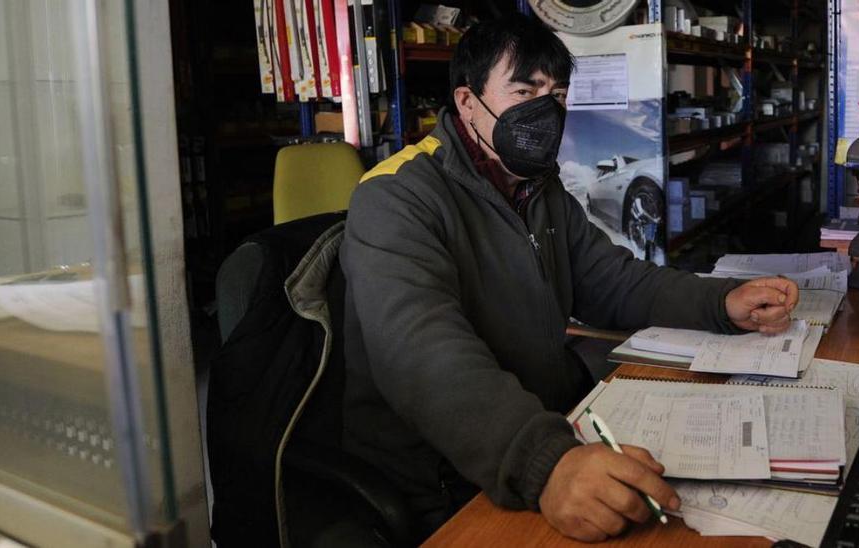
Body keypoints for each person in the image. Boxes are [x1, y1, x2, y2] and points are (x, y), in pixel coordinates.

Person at [340, 13, 799, 542]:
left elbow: (613, 282)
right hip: (449, 476)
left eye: (557, 95)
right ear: (467, 103)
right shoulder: (395, 197)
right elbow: (423, 355)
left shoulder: (536, 187)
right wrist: (546, 463)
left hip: (551, 427)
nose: (546, 111)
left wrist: (721, 303)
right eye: (523, 90)